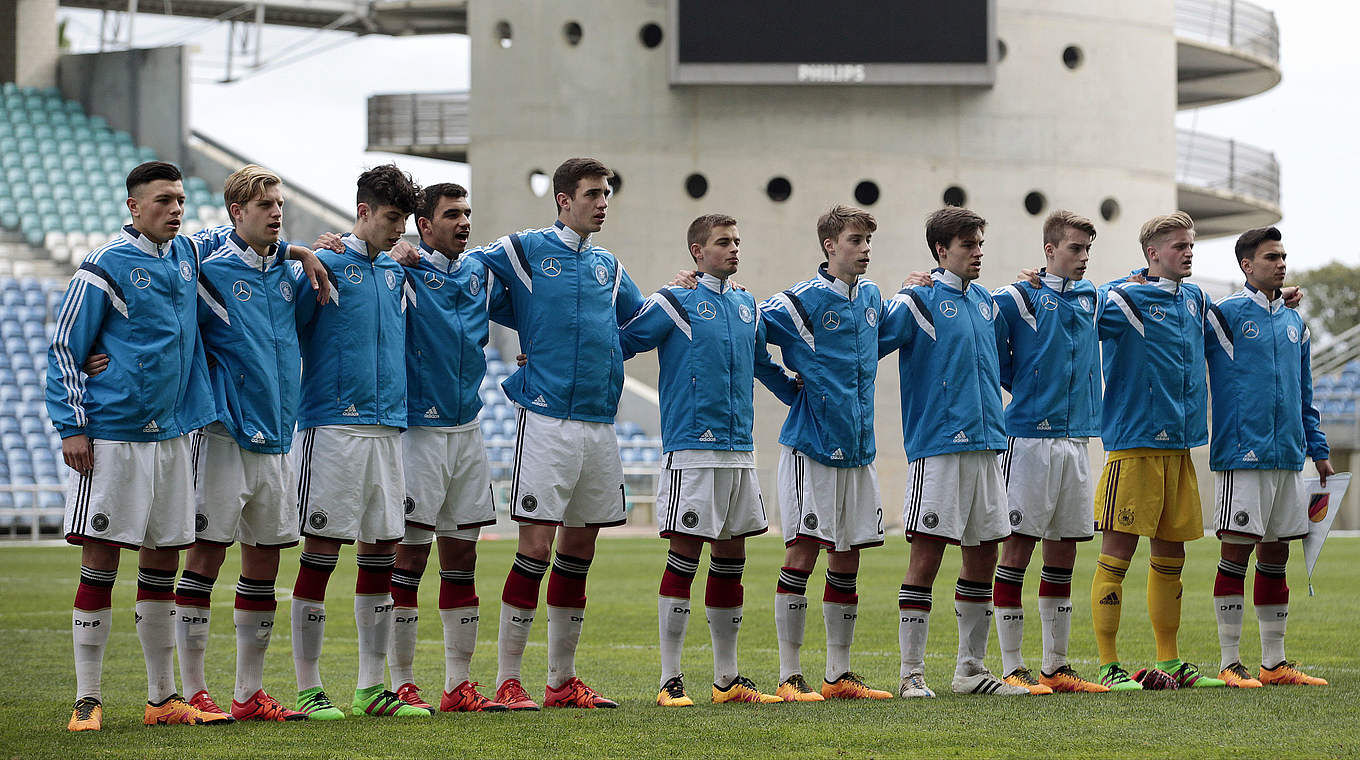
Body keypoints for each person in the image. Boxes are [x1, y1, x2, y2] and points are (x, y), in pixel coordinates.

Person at [49, 161, 234, 731]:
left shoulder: (188, 254)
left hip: (175, 436)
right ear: (134, 206)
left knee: (162, 563)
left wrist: (306, 254)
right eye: (162, 200)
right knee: (100, 562)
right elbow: (63, 347)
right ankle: (88, 699)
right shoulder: (104, 265)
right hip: (115, 436)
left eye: (179, 199)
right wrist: (72, 427)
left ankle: (161, 699)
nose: (174, 208)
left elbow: (248, 231)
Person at [474, 158, 643, 710]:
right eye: (593, 194)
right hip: (546, 420)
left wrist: (686, 291)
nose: (603, 203)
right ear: (563, 200)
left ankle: (561, 681)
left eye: (607, 194)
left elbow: (637, 324)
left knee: (579, 552)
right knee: (535, 548)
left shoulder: (609, 266)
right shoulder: (524, 248)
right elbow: (467, 271)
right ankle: (507, 680)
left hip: (599, 423)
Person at [619, 213, 798, 706]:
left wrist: (798, 395)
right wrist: (554, 358)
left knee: (731, 560)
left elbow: (763, 363)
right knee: (684, 556)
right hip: (692, 450)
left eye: (737, 241)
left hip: (739, 451)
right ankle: (669, 680)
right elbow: (623, 339)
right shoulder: (673, 301)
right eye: (723, 242)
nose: (734, 248)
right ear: (697, 252)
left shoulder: (746, 303)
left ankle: (726, 680)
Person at [289, 164, 430, 719]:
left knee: (380, 553)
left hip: (388, 428)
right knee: (321, 553)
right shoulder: (322, 265)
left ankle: (372, 688)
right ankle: (308, 687)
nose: (402, 231)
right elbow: (281, 326)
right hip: (333, 427)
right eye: (393, 219)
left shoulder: (396, 272)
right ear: (364, 212)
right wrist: (304, 252)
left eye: (406, 220)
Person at [879, 206, 1028, 698]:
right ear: (941, 251)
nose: (978, 253)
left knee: (984, 553)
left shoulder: (987, 301)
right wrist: (902, 291)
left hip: (989, 446)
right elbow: (870, 338)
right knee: (927, 555)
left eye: (981, 244)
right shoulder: (918, 302)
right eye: (968, 246)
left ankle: (969, 669)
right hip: (939, 448)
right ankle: (911, 674)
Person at [757, 204, 894, 703]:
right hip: (811, 448)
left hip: (859, 449)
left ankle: (839, 675)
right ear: (829, 246)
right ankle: (790, 675)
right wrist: (790, 387)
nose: (864, 249)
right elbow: (751, 335)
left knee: (848, 556)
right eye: (855, 240)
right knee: (803, 552)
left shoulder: (874, 297)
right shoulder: (801, 301)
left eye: (867, 241)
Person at [385, 182, 511, 713]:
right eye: (451, 214)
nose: (463, 221)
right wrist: (382, 251)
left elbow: (540, 310)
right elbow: (356, 263)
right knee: (409, 559)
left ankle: (459, 685)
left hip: (467, 430)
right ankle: (402, 682)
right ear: (424, 224)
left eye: (467, 212)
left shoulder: (480, 271)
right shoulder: (402, 270)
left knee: (462, 559)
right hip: (418, 432)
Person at [1089, 211, 1225, 690]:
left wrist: (1279, 297)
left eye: (1191, 245)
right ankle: (1108, 666)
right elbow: (1076, 311)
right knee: (1117, 556)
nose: (1188, 252)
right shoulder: (1124, 297)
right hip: (1134, 447)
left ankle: (1168, 661)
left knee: (1173, 559)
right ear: (1152, 254)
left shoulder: (1197, 299)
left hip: (1180, 449)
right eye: (1178, 246)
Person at [988, 211, 1110, 694]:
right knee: (1017, 547)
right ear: (1049, 250)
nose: (1082, 258)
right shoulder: (1017, 298)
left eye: (1087, 250)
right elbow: (990, 350)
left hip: (1078, 438)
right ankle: (1013, 665)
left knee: (1064, 552)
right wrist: (1026, 389)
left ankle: (1055, 667)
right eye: (1075, 249)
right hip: (1029, 439)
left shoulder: (1093, 297)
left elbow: (1139, 292)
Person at [1205, 226, 1331, 687]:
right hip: (1243, 455)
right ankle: (1229, 661)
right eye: (1271, 256)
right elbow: (1177, 318)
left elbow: (1305, 393)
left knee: (1276, 554)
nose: (1281, 263)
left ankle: (1274, 664)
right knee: (1235, 553)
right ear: (1246, 265)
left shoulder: (1297, 323)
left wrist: (1317, 450)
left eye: (1283, 256)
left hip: (1288, 457)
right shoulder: (1224, 316)